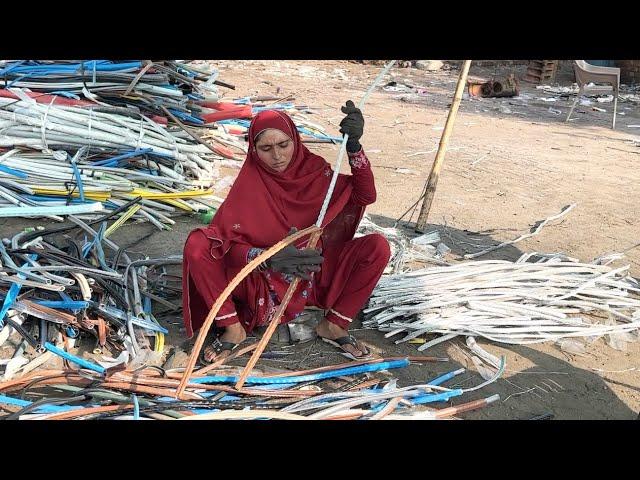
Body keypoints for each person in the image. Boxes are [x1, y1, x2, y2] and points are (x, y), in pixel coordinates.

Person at [182, 100, 390, 363]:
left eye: (283, 145)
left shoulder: (315, 172)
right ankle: (233, 328)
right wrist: (268, 257)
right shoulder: (250, 184)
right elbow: (224, 249)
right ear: (254, 150)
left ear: (295, 140)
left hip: (311, 275)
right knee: (198, 243)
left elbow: (365, 195)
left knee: (377, 247)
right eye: (266, 148)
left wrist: (354, 148)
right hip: (262, 283)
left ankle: (334, 324)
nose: (277, 156)